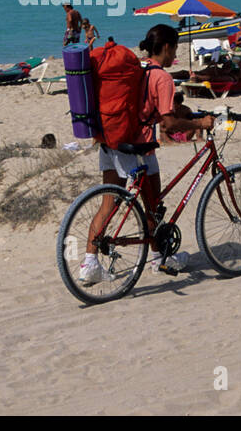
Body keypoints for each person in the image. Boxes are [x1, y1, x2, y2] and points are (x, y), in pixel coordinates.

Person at [78, 24, 216, 282]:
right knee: (153, 207)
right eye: (174, 48)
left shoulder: (136, 67)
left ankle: (90, 263)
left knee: (108, 204)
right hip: (138, 147)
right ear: (166, 47)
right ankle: (159, 259)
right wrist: (200, 124)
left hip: (111, 139)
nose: (174, 53)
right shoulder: (161, 78)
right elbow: (169, 123)